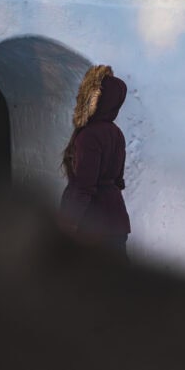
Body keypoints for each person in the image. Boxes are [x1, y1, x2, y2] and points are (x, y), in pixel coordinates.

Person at [59, 65, 131, 257]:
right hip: (116, 220)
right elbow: (118, 179)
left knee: (89, 283)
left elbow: (84, 185)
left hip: (93, 224)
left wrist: (69, 223)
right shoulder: (116, 132)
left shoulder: (89, 135)